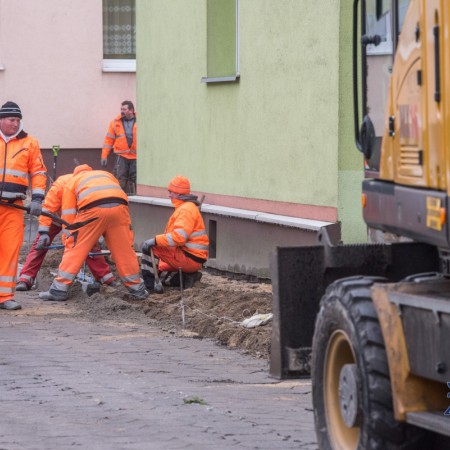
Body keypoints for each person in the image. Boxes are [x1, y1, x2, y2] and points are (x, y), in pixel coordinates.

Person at [39, 164, 148, 301]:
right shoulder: (106, 175)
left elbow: (68, 213)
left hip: (93, 210)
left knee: (76, 248)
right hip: (119, 209)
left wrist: (69, 238)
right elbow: (120, 195)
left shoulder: (72, 182)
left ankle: (58, 290)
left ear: (75, 173)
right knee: (124, 250)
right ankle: (136, 289)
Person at [16, 173, 119, 291]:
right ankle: (25, 279)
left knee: (89, 245)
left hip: (76, 219)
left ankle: (105, 278)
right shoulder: (59, 187)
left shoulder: (86, 188)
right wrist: (44, 233)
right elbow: (47, 209)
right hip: (55, 217)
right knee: (40, 244)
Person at [0, 101, 47, 310]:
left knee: (10, 251)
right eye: (11, 119)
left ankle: (5, 296)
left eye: (18, 120)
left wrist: (37, 199)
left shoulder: (30, 142)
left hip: (14, 208)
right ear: (1, 120)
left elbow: (38, 172)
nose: (15, 123)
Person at [141, 175, 209, 291]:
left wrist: (155, 240)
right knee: (160, 265)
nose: (169, 195)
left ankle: (150, 286)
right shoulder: (186, 208)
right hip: (192, 258)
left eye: (171, 192)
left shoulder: (185, 210)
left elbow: (179, 237)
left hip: (189, 258)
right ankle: (185, 278)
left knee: (151, 248)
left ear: (179, 193)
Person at [101, 100, 137, 194]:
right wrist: (104, 156)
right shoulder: (115, 123)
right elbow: (108, 140)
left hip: (136, 157)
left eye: (124, 109)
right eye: (121, 109)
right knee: (120, 179)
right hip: (121, 156)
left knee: (136, 180)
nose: (122, 111)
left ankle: (136, 200)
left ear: (131, 110)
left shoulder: (141, 121)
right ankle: (121, 199)